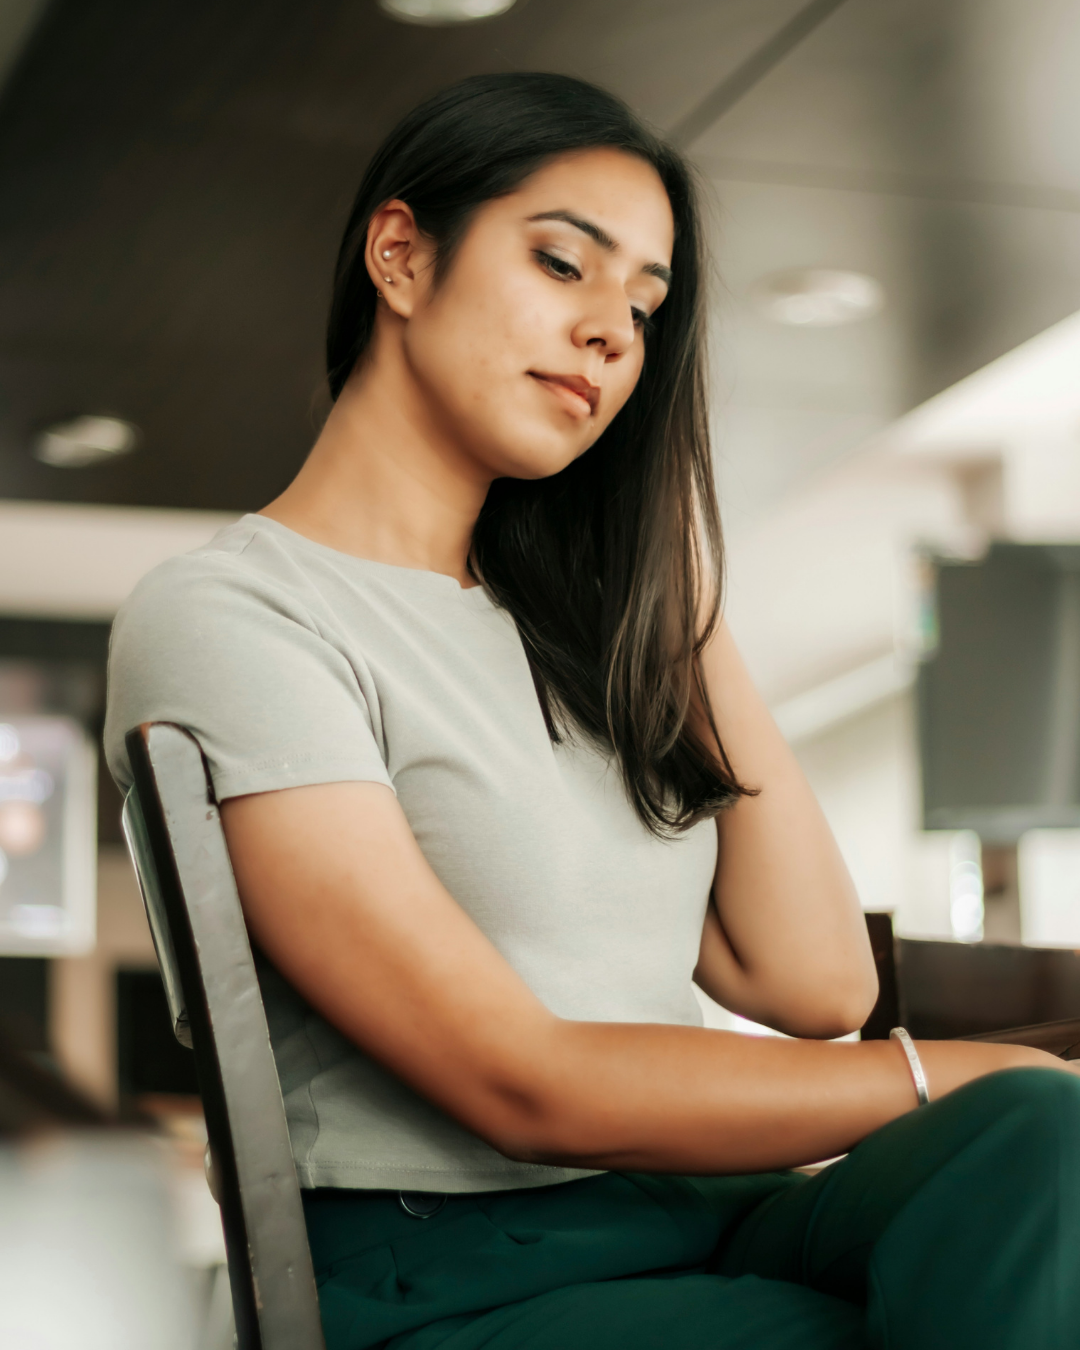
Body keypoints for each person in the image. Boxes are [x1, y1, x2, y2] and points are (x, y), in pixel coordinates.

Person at [105, 73, 1080, 1350]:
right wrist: (955, 1067)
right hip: (464, 1271)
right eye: (565, 264)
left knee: (1041, 1144)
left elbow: (818, 982)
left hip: (709, 1212)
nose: (615, 332)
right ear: (400, 257)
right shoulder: (238, 614)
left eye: (646, 305)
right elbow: (516, 1082)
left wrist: (678, 591)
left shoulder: (583, 639)